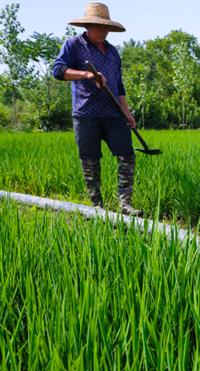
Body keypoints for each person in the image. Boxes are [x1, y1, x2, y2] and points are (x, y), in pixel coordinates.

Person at [53, 2, 140, 215]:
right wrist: (86, 75)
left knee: (127, 156)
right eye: (98, 26)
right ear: (87, 26)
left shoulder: (112, 52)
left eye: (105, 27)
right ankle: (97, 206)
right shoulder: (73, 45)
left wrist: (126, 112)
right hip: (86, 114)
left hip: (113, 113)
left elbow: (119, 84)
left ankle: (125, 204)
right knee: (90, 161)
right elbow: (58, 70)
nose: (102, 31)